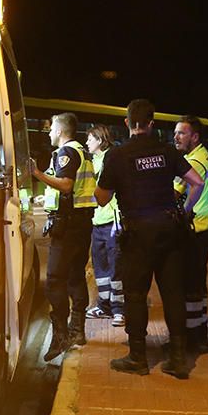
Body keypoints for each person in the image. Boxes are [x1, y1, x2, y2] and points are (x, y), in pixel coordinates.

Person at [95, 99, 204, 379]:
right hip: (169, 230)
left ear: (127, 123)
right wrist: (185, 211)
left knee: (135, 295)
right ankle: (178, 359)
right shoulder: (166, 150)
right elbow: (197, 183)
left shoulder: (118, 155)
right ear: (152, 124)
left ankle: (138, 357)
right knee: (173, 294)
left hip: (137, 235)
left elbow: (102, 197)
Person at [29, 112, 97, 362]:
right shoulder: (83, 151)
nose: (48, 132)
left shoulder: (66, 153)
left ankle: (61, 335)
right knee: (75, 275)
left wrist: (37, 173)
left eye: (51, 128)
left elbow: (66, 185)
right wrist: (45, 198)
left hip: (68, 226)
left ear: (60, 130)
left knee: (54, 279)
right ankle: (78, 331)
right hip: (81, 223)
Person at [174, 116, 208, 354]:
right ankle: (199, 335)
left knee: (188, 284)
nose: (176, 136)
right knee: (198, 284)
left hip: (194, 229)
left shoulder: (194, 162)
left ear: (195, 137)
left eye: (182, 133)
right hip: (203, 226)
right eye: (176, 132)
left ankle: (191, 339)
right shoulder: (201, 156)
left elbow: (174, 192)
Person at [84, 124, 125, 327]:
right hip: (97, 220)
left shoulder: (112, 158)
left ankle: (119, 310)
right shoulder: (92, 161)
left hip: (113, 219)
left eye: (90, 139)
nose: (87, 142)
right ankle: (104, 306)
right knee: (100, 267)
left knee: (116, 266)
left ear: (100, 140)